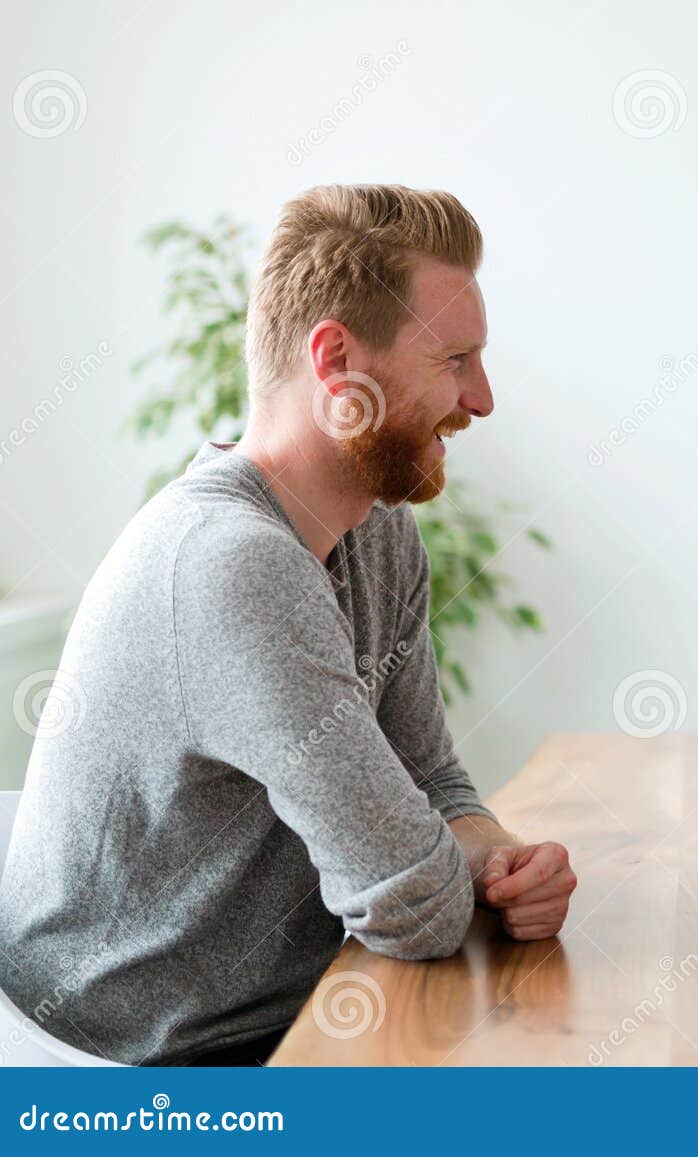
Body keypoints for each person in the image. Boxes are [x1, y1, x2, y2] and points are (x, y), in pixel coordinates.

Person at [0, 185, 577, 1065]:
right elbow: (414, 906)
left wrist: (502, 861)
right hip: (146, 1077)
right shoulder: (230, 563)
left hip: (289, 1018)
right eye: (453, 358)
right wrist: (449, 869)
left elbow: (434, 782)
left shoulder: (378, 533)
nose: (483, 398)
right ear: (337, 360)